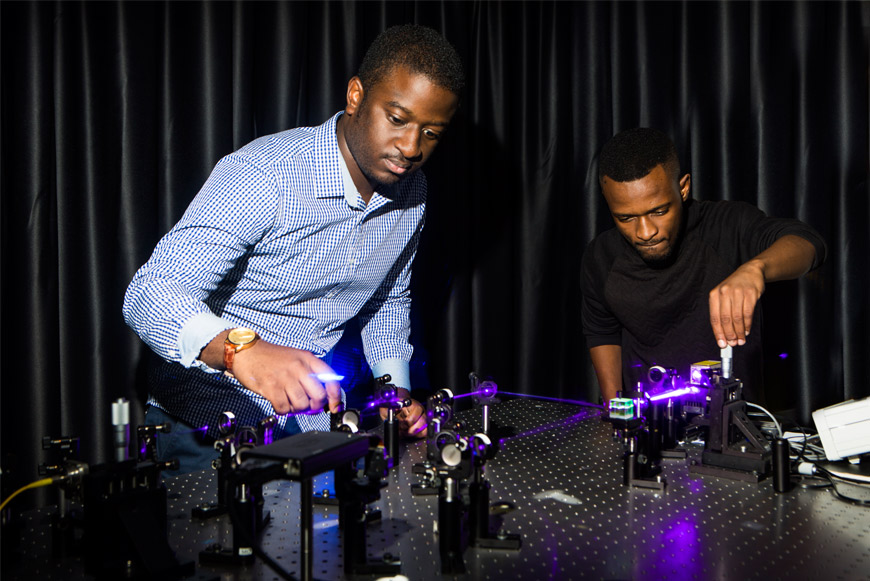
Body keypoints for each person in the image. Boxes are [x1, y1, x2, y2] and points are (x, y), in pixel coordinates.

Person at [123, 24, 464, 474]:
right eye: (397, 119)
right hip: (205, 425)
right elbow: (150, 292)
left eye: (431, 133)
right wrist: (241, 351)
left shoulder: (412, 193)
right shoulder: (266, 174)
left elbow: (387, 300)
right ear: (356, 96)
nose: (410, 147)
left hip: (308, 428)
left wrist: (392, 394)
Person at [581, 128, 826, 404]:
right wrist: (615, 412)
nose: (645, 231)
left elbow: (809, 244)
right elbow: (602, 332)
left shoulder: (726, 225)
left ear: (683, 188)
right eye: (626, 218)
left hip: (735, 429)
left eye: (659, 211)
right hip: (648, 430)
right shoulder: (601, 256)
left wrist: (755, 268)